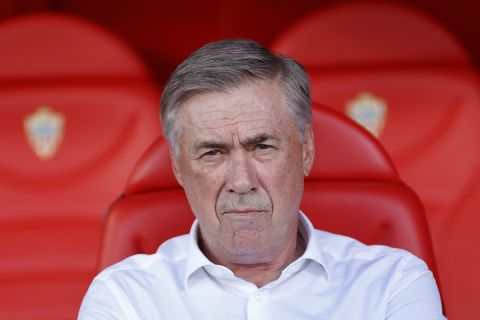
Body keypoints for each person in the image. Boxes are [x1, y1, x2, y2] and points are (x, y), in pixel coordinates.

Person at [78, 39, 446, 319]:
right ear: (178, 167)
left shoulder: (393, 283)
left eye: (263, 146)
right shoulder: (124, 299)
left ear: (305, 151)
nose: (241, 181)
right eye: (213, 153)